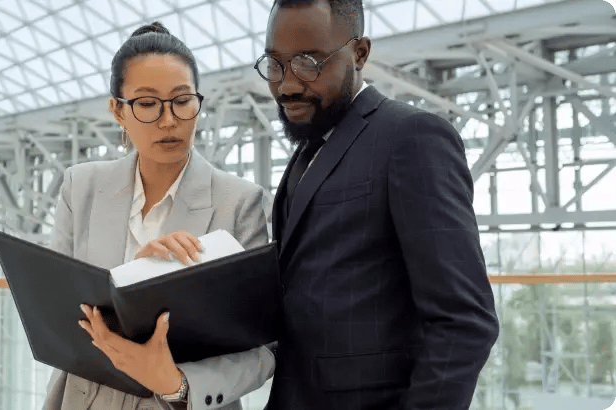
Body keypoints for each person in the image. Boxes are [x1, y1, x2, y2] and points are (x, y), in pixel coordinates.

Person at [256, 0, 501, 409]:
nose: (287, 85)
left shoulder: (411, 138)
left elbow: (464, 323)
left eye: (308, 63)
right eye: (276, 64)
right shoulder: (308, 151)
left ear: (360, 53)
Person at [43, 22, 275, 410]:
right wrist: (135, 277)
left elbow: (261, 349)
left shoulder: (240, 203)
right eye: (148, 104)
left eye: (182, 100)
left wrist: (177, 384)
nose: (169, 120)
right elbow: (53, 311)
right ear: (118, 110)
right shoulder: (80, 187)